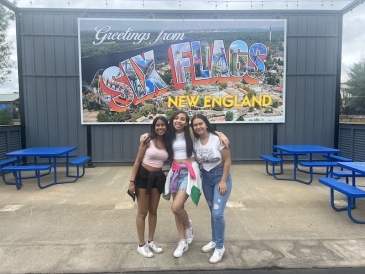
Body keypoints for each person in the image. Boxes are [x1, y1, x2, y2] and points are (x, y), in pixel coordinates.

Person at [191, 114, 232, 264]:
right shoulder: (195, 143)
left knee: (217, 213)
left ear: (206, 124)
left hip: (220, 177)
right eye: (195, 125)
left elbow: (227, 161)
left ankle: (220, 247)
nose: (198, 127)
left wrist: (223, 181)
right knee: (212, 212)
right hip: (206, 179)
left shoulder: (219, 139)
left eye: (200, 123)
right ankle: (215, 240)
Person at [129, 116, 169, 258]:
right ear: (154, 126)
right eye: (157, 125)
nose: (160, 128)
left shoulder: (168, 142)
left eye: (163, 125)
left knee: (153, 210)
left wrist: (219, 134)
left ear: (166, 127)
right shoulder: (147, 141)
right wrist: (132, 181)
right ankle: (141, 244)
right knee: (142, 212)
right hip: (143, 177)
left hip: (157, 178)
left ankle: (151, 241)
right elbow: (137, 161)